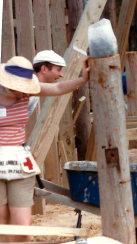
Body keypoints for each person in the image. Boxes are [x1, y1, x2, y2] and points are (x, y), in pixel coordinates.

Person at [0, 55, 90, 242]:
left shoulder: (27, 92)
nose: (22, 92)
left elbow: (57, 88)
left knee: (22, 228)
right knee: (2, 221)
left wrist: (82, 80)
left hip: (18, 160)